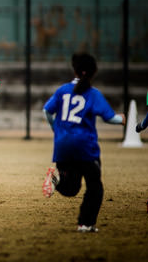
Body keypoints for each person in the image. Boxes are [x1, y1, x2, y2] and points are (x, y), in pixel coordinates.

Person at [41, 52, 125, 233]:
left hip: (63, 146)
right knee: (95, 187)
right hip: (85, 147)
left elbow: (47, 111)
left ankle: (56, 179)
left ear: (75, 70)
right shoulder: (93, 93)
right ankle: (85, 224)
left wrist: (57, 130)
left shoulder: (62, 90)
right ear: (94, 72)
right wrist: (122, 119)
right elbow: (109, 118)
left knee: (71, 188)